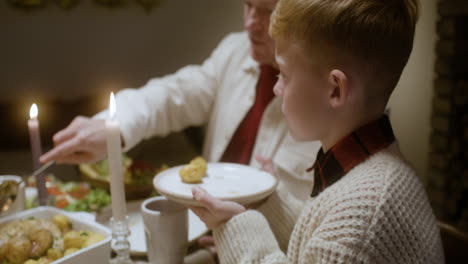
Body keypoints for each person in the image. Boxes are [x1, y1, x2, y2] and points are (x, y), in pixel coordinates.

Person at [40, 0, 319, 259]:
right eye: (247, 5)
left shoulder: (323, 97)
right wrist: (115, 127)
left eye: (267, 11)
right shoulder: (236, 50)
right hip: (202, 232)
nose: (250, 22)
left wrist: (237, 234)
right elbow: (178, 93)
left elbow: (305, 226)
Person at [189, 0, 445, 263]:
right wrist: (267, 203)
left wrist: (234, 225)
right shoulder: (366, 169)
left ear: (335, 89)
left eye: (285, 75)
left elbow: (340, 241)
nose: (277, 88)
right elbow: (316, 244)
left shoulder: (364, 219)